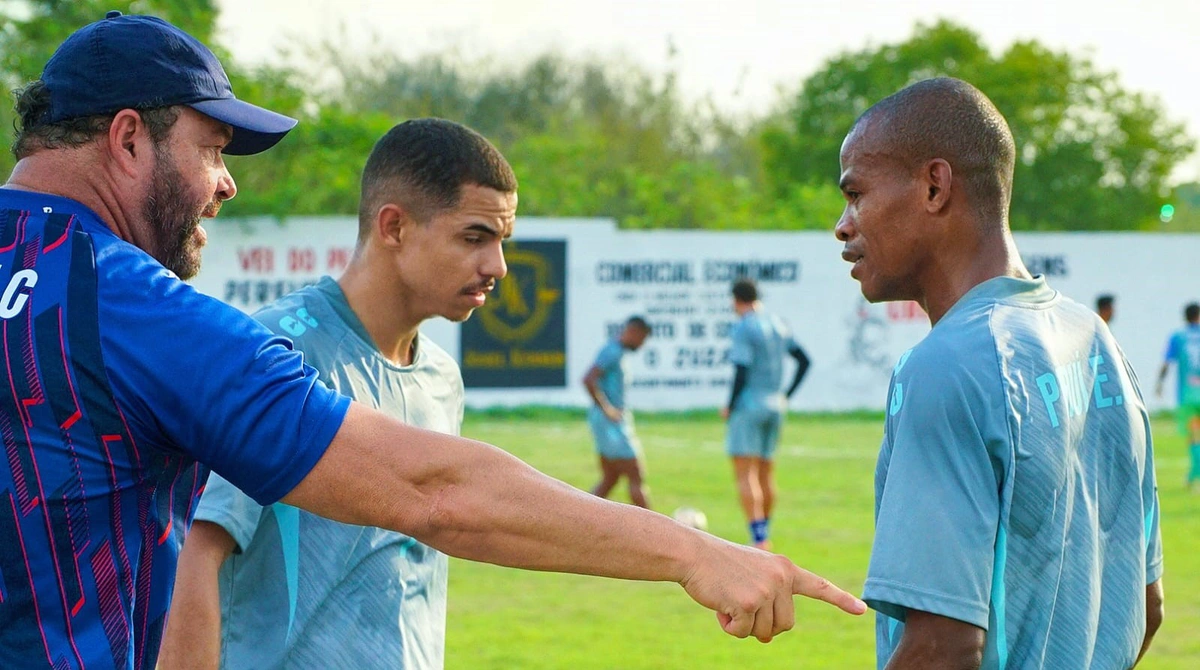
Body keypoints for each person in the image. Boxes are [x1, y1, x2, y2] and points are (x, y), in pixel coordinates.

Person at [0, 12, 866, 670]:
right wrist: (690, 553)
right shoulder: (139, 311)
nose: (224, 184)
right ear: (126, 139)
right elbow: (432, 491)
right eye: (214, 147)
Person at [157, 119, 509, 669]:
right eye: (475, 237)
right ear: (393, 226)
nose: (497, 267)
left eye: (501, 242)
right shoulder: (277, 355)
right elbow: (196, 552)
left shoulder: (442, 377)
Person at [835, 77, 1162, 669]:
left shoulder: (948, 366)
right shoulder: (1096, 342)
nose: (843, 224)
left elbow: (944, 646)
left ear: (935, 186)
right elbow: (1146, 604)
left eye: (855, 193)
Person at [720, 278, 810, 550]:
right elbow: (804, 360)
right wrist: (786, 394)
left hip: (750, 404)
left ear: (736, 299)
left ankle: (759, 538)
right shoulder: (778, 324)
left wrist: (730, 404)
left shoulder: (744, 327)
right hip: (775, 404)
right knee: (766, 473)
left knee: (745, 472)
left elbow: (742, 370)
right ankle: (764, 532)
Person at [583, 316, 653, 509]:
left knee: (610, 478)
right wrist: (608, 409)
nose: (642, 344)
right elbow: (588, 379)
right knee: (636, 475)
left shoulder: (617, 351)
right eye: (642, 339)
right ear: (634, 332)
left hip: (606, 422)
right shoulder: (612, 352)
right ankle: (656, 533)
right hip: (611, 424)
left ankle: (583, 519)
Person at [1156, 302, 1200, 490]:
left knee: (1193, 436)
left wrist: (1159, 383)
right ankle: (1193, 475)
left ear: (1185, 317)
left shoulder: (1178, 337)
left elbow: (1167, 362)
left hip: (1189, 396)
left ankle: (1193, 475)